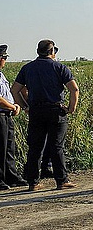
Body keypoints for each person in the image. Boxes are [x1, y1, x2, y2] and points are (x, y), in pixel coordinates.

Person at [11, 39, 79, 191]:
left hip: (36, 111)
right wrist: (71, 108)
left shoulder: (27, 68)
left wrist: (24, 106)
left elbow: (14, 90)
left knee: (35, 147)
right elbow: (74, 89)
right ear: (52, 51)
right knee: (56, 146)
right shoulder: (59, 67)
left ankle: (33, 182)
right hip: (56, 111)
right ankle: (61, 180)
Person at [0, 45, 27, 189]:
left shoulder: (1, 75)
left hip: (7, 115)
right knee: (1, 147)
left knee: (9, 147)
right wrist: (12, 106)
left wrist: (14, 106)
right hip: (1, 113)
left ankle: (12, 176)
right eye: (4, 58)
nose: (5, 61)